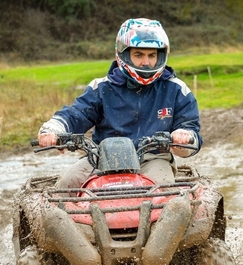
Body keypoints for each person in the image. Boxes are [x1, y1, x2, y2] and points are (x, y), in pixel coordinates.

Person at [38, 18, 202, 189]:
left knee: (163, 188)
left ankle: (163, 215)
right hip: (102, 158)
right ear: (123, 54)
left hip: (153, 159)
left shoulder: (176, 89)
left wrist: (183, 135)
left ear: (161, 56)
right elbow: (76, 114)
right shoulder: (102, 88)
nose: (146, 63)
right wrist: (55, 129)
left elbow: (190, 129)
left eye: (152, 55)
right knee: (66, 184)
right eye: (138, 55)